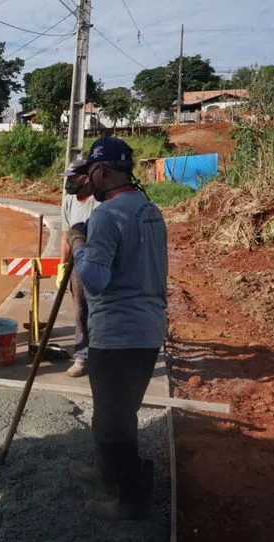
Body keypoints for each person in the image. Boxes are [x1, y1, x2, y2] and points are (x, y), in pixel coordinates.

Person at [66, 137, 168, 521]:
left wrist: (79, 243)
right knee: (117, 411)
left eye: (90, 172)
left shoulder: (107, 215)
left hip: (119, 333)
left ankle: (131, 500)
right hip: (147, 329)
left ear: (102, 171)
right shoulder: (150, 210)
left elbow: (93, 279)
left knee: (113, 423)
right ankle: (107, 472)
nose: (88, 180)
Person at [58, 159, 101, 378]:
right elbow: (66, 234)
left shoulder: (100, 201)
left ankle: (103, 358)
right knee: (80, 312)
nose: (68, 183)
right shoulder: (69, 201)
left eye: (72, 179)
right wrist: (61, 264)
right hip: (77, 265)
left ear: (85, 178)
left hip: (101, 263)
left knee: (101, 313)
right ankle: (82, 358)